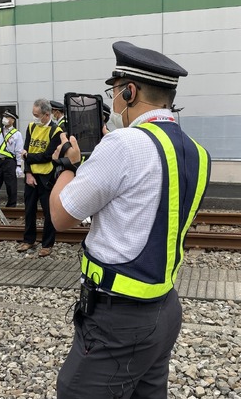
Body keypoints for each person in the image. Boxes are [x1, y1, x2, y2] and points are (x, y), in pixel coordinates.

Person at [50, 41, 211, 398]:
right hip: (164, 307)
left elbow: (61, 216)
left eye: (115, 90)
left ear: (129, 90)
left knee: (74, 391)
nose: (113, 101)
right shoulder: (198, 153)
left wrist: (67, 164)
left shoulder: (122, 145)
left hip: (118, 319)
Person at [17, 99, 62, 257]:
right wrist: (28, 172)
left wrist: (28, 156)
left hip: (47, 177)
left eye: (37, 115)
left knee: (49, 212)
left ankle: (47, 244)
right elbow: (25, 151)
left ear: (47, 114)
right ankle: (28, 240)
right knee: (29, 210)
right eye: (33, 115)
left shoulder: (56, 131)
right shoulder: (31, 127)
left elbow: (48, 156)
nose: (35, 118)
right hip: (31, 176)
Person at [0, 110, 24, 207]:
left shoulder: (17, 134)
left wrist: (19, 166)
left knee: (11, 185)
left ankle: (11, 205)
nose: (5, 119)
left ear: (13, 120)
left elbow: (19, 151)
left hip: (10, 162)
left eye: (7, 117)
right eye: (4, 116)